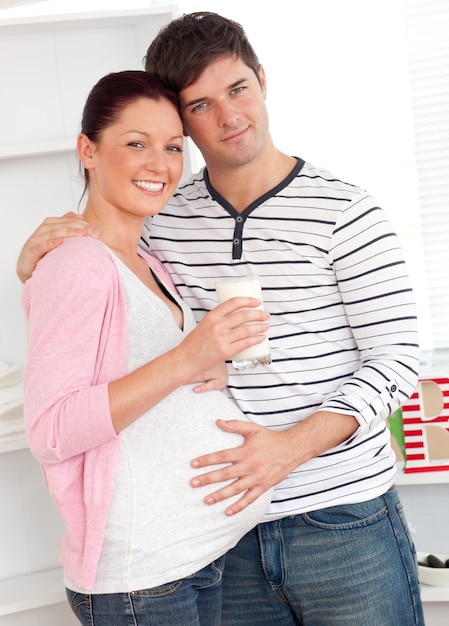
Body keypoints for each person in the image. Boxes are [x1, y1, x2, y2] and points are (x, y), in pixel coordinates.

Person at [17, 13, 425, 626]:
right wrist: (32, 261)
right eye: (201, 105)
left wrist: (290, 448)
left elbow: (398, 362)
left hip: (341, 519)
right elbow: (98, 270)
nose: (229, 116)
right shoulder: (160, 213)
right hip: (218, 539)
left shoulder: (346, 211)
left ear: (262, 81)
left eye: (237, 89)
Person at [21, 69, 273, 626]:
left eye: (172, 147)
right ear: (88, 150)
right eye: (135, 144)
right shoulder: (80, 263)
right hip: (143, 579)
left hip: (193, 557)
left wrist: (211, 371)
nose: (160, 165)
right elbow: (52, 430)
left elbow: (153, 374)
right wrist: (188, 357)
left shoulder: (148, 260)